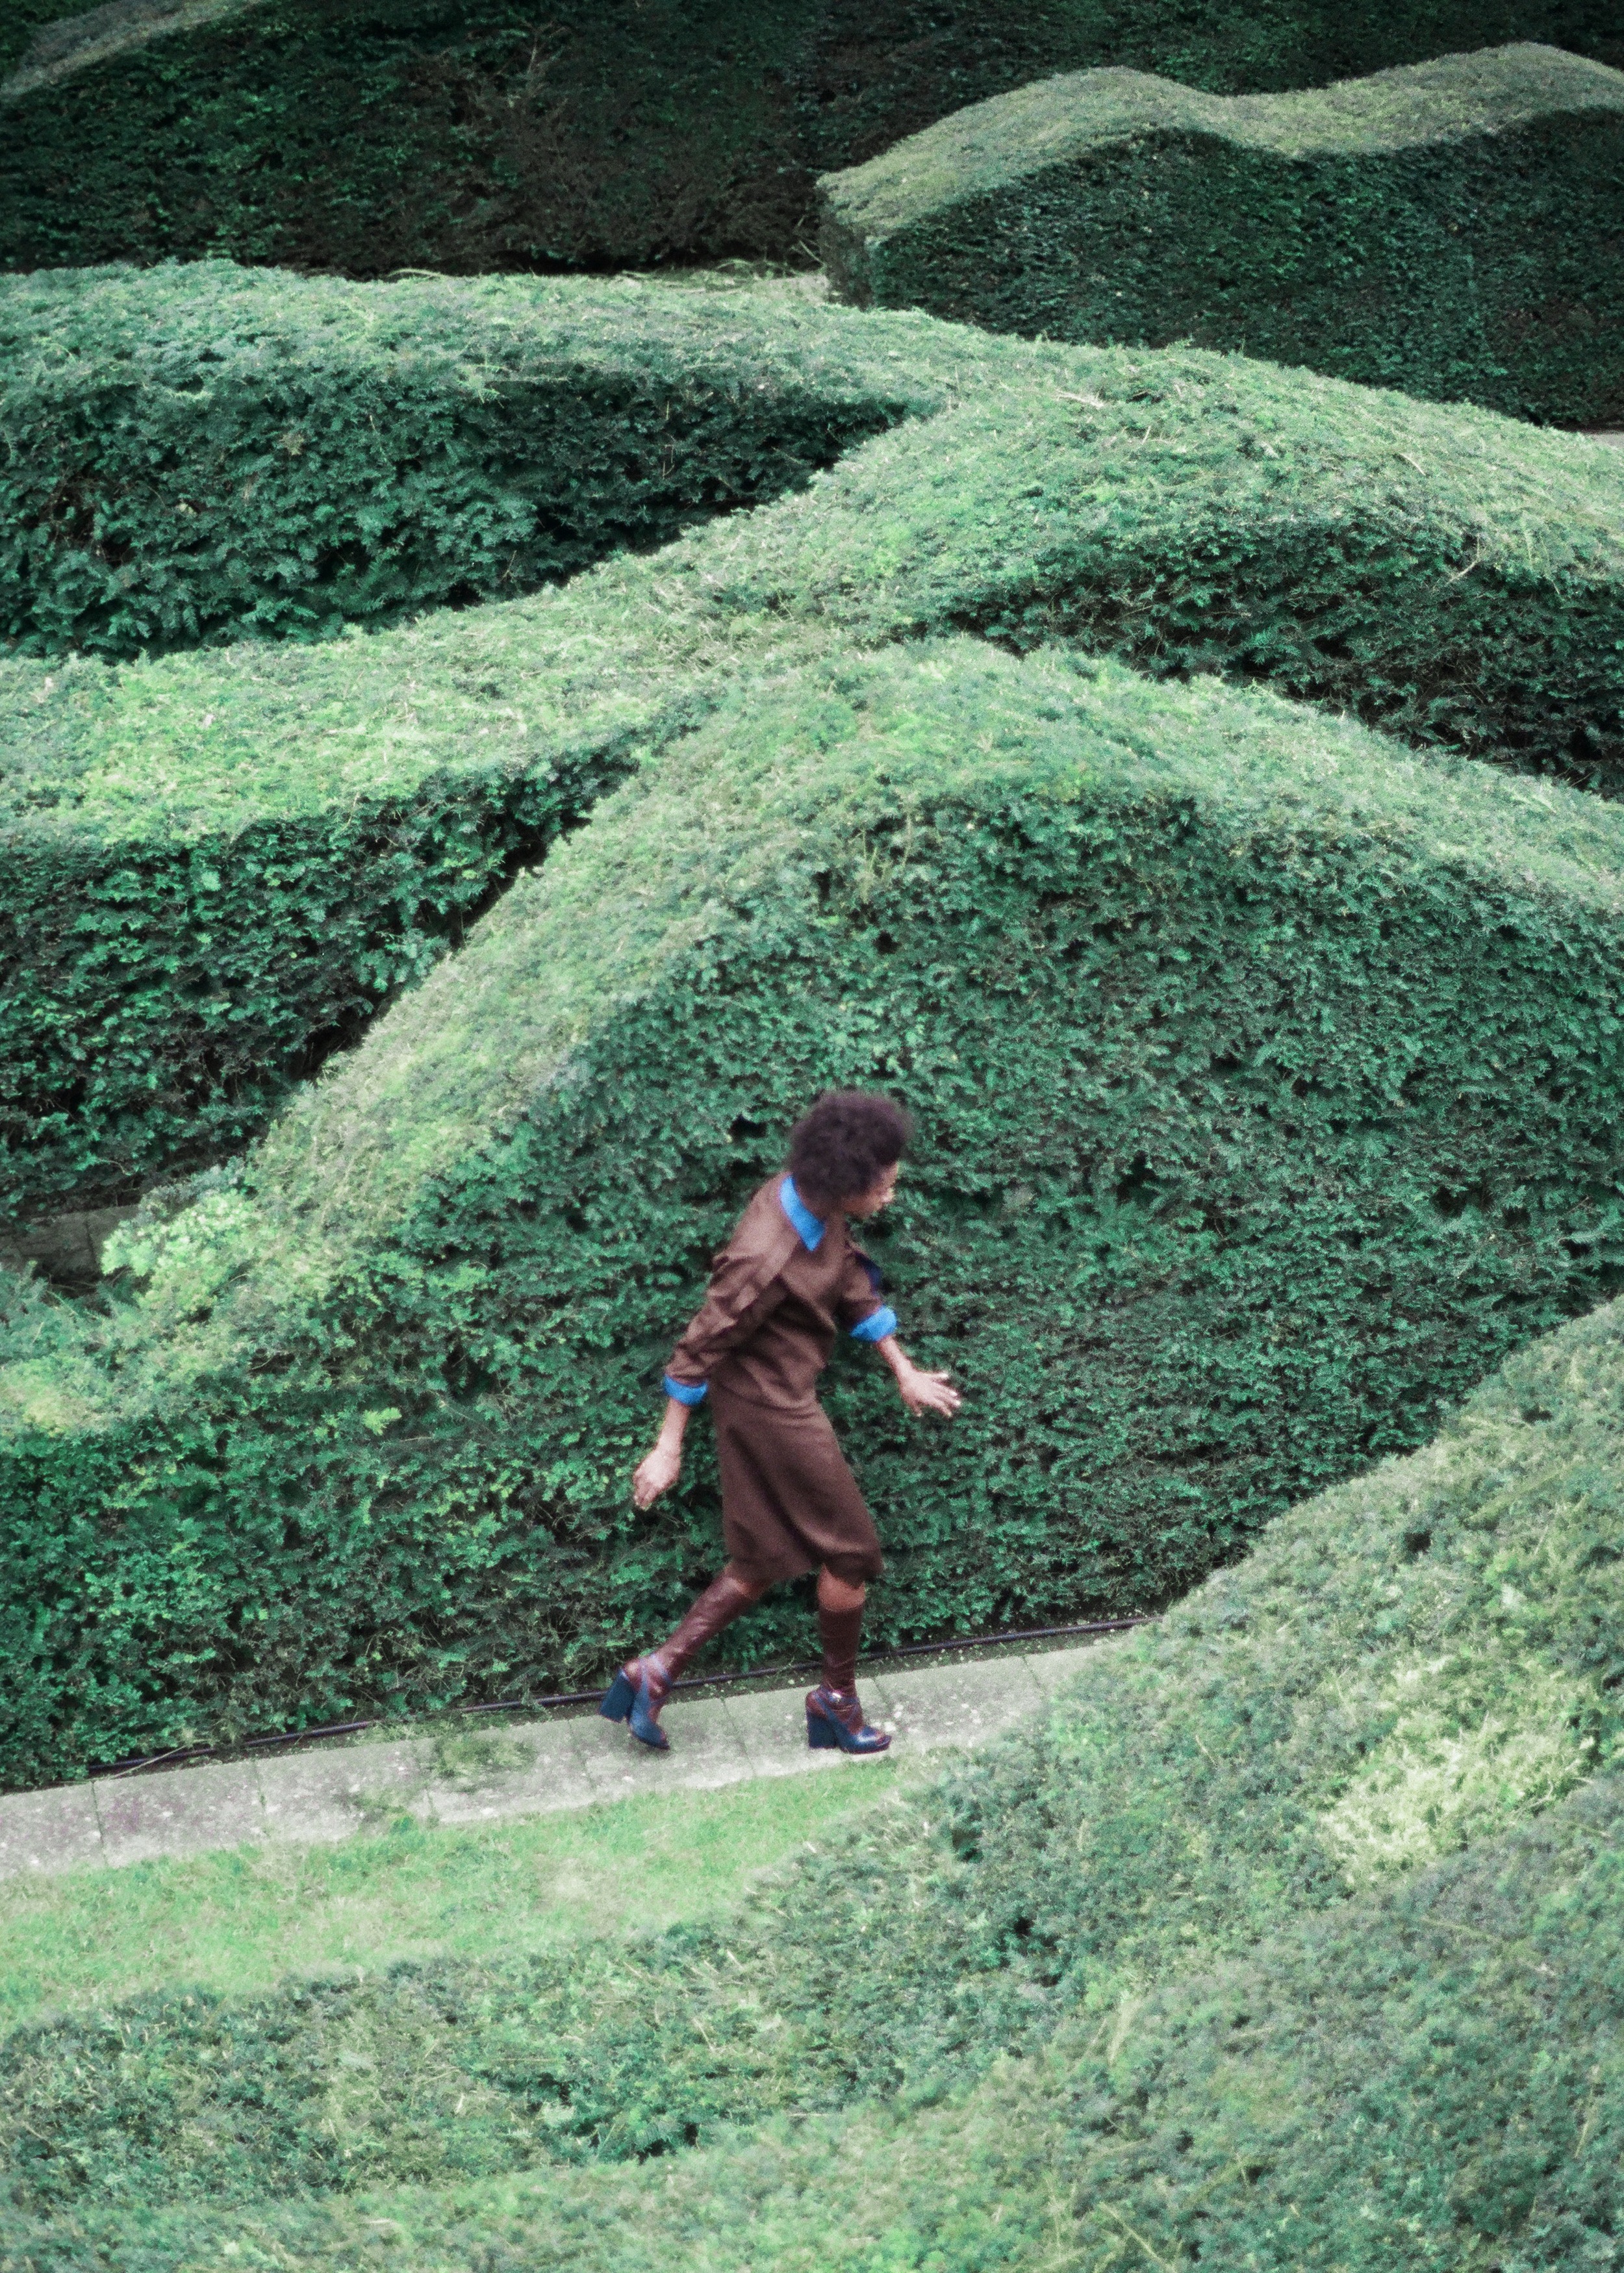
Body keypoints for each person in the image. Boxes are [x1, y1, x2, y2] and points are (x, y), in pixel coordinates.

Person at [601, 1091, 960, 1757]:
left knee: (764, 1553)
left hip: (775, 1394)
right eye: (882, 1186)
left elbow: (850, 1280)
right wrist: (667, 1445)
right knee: (849, 1555)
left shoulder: (813, 1199)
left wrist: (902, 1369)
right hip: (769, 1406)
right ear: (848, 1181)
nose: (890, 1196)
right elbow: (700, 1344)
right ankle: (835, 1700)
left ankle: (655, 1671)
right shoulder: (766, 1252)